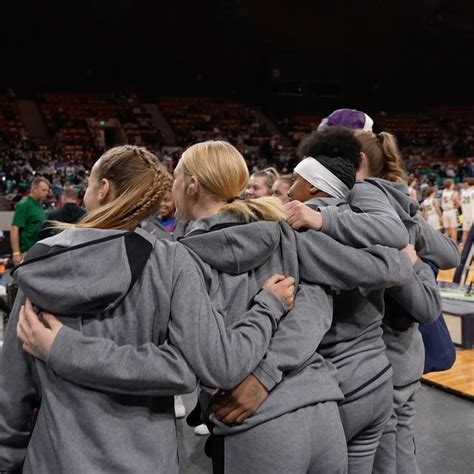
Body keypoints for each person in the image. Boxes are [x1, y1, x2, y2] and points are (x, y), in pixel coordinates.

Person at [16, 141, 413, 474]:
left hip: (259, 425)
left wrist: (262, 363)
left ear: (191, 185)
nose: (170, 189)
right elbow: (348, 289)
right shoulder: (282, 232)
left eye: (176, 178)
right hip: (324, 408)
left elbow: (211, 366)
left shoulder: (178, 259)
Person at [0, 145, 295, 473]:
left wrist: (8, 460)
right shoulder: (171, 261)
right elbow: (184, 371)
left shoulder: (42, 262)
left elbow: (13, 388)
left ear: (103, 188)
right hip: (146, 460)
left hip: (55, 458)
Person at [286, 126, 458, 474]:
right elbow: (449, 253)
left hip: (381, 365)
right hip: (391, 362)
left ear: (357, 161)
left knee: (391, 459)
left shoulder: (367, 207)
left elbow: (427, 302)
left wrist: (411, 261)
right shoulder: (392, 206)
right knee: (395, 452)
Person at [10, 176, 50, 265]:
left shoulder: (38, 204)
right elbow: (14, 229)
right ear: (34, 189)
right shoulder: (24, 204)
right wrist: (16, 253)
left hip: (37, 250)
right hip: (27, 252)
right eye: (44, 190)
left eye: (47, 191)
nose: (46, 193)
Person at [460, 178, 474, 246]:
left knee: (465, 232)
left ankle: (463, 246)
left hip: (465, 215)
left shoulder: (463, 192)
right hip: (472, 214)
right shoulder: (473, 192)